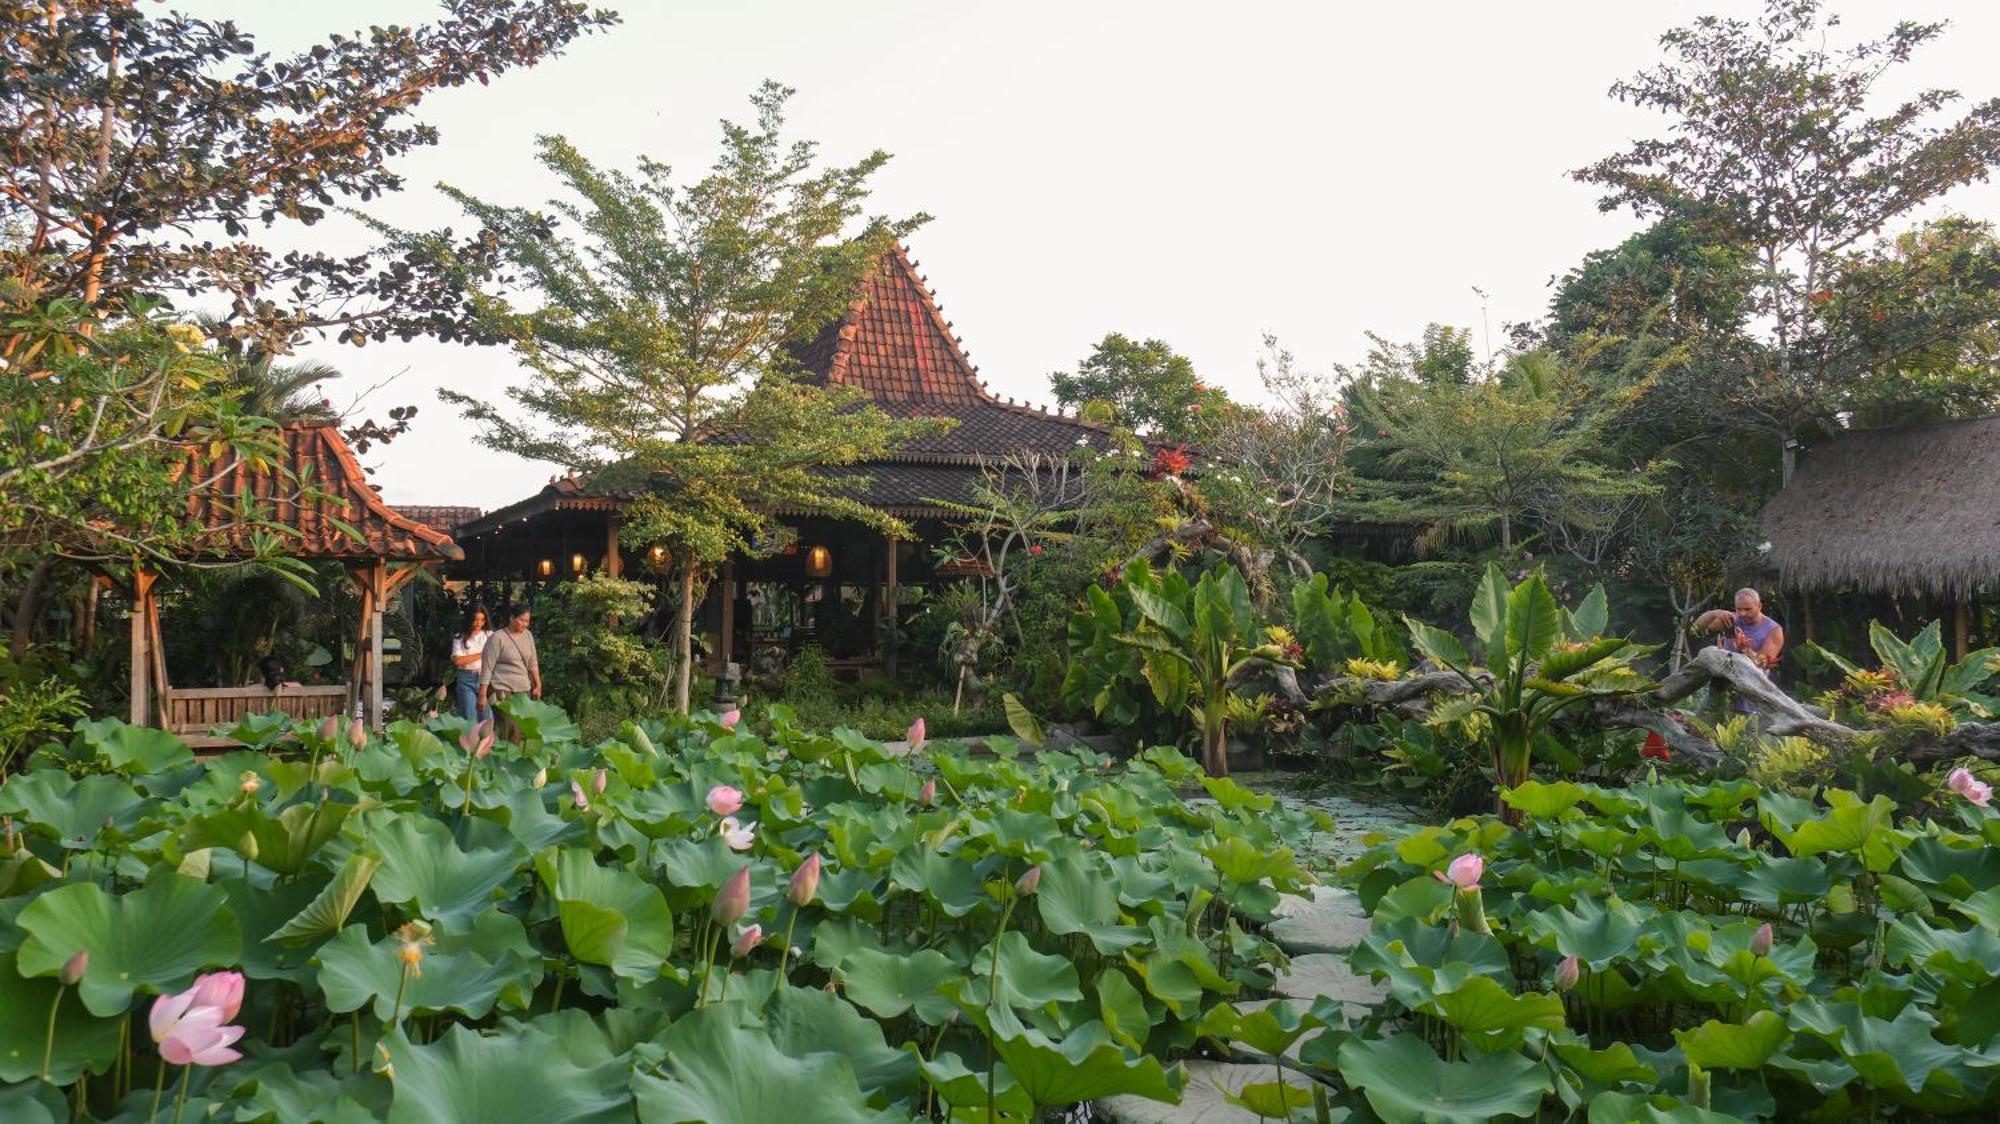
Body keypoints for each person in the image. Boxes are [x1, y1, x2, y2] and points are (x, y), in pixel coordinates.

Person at [480, 602, 542, 738]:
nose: (525, 624)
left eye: (527, 621)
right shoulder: (497, 638)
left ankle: (513, 757)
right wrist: (482, 694)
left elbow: (533, 662)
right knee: (509, 728)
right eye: (522, 620)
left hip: (523, 689)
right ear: (512, 618)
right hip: (501, 689)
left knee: (519, 729)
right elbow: (487, 667)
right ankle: (502, 757)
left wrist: (538, 684)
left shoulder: (528, 636)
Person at [451, 605, 492, 724]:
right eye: (476, 619)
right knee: (470, 718)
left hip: (483, 678)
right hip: (466, 678)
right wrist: (482, 654)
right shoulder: (460, 637)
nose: (479, 623)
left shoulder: (489, 635)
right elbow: (457, 661)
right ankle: (470, 742)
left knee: (487, 718)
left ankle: (486, 742)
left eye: (482, 620)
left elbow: (496, 656)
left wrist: (468, 658)